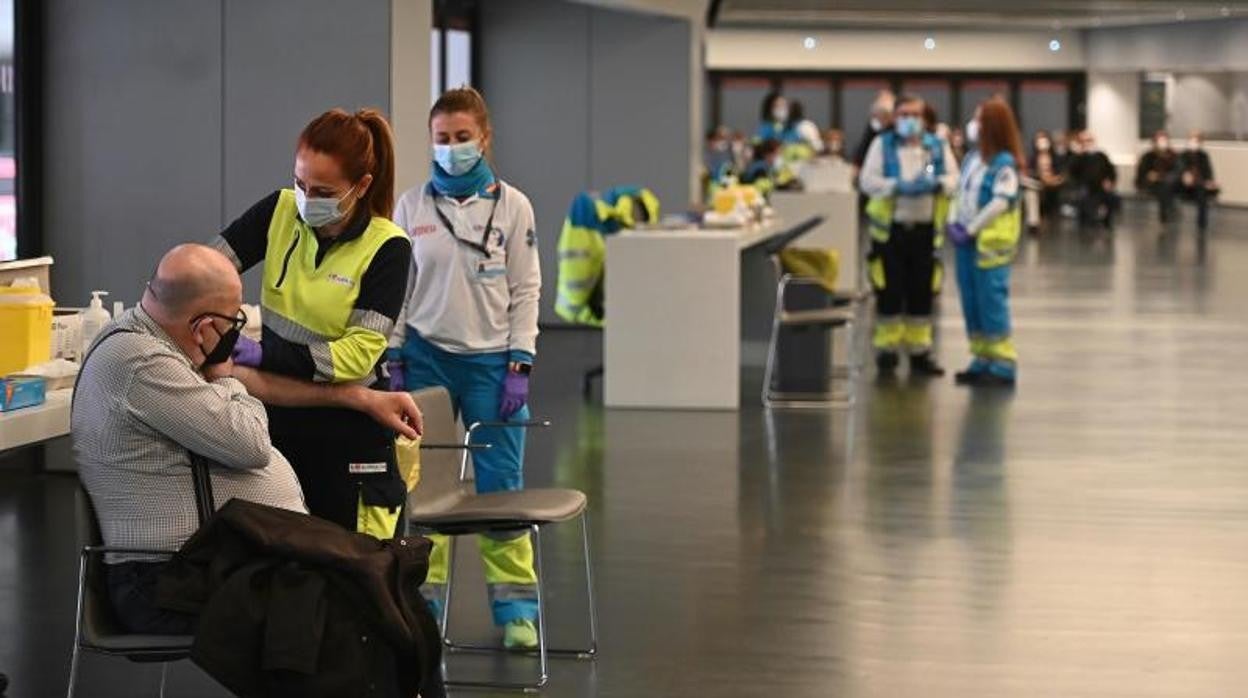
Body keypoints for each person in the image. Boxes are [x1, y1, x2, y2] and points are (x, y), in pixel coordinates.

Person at [73, 245, 421, 635]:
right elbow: (250, 442)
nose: (234, 334)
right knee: (358, 610)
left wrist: (360, 396)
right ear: (203, 327)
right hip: (167, 578)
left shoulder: (162, 347)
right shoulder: (141, 362)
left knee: (381, 586)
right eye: (232, 322)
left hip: (214, 562)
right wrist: (225, 377)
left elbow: (259, 388)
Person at [210, 108, 415, 540]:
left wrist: (268, 354)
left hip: (350, 435)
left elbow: (359, 353)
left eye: (322, 191)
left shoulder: (388, 247)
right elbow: (209, 268)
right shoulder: (280, 211)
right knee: (286, 564)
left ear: (361, 186)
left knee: (358, 572)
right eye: (300, 183)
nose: (306, 200)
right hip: (279, 423)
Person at [387, 87, 543, 651]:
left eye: (462, 138)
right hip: (426, 356)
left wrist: (520, 362)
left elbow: (526, 289)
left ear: (484, 138)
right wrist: (395, 353)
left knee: (502, 489)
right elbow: (399, 287)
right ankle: (424, 605)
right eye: (442, 139)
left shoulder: (514, 206)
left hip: (492, 363)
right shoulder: (411, 206)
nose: (451, 148)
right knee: (425, 489)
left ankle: (517, 609)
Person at [859, 94, 960, 377]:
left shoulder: (937, 147)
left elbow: (955, 180)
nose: (909, 121)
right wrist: (895, 186)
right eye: (903, 115)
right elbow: (867, 181)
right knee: (890, 292)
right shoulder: (882, 145)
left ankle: (919, 352)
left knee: (921, 293)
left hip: (925, 233)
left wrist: (937, 183)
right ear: (895, 118)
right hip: (890, 232)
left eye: (915, 115)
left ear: (924, 118)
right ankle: (887, 351)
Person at [945, 98, 1024, 387]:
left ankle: (1002, 363)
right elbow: (959, 192)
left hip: (990, 246)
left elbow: (999, 203)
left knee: (992, 302)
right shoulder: (972, 158)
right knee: (971, 301)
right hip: (966, 244)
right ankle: (981, 357)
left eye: (979, 120)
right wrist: (954, 221)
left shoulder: (1005, 164)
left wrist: (972, 229)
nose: (973, 126)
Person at [1070, 130, 1118, 228]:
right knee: (1085, 198)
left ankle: (1105, 220)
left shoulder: (1101, 156)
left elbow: (1111, 171)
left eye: (1089, 140)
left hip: (1101, 186)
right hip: (1085, 186)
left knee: (1111, 197)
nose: (1087, 143)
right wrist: (1080, 155)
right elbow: (1073, 172)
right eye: (1084, 141)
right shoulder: (1078, 157)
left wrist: (1110, 181)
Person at [1135, 130, 1181, 223]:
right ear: (1154, 142)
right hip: (1152, 183)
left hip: (1169, 183)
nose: (1162, 143)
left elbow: (1177, 170)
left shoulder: (1173, 155)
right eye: (1160, 140)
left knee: (1166, 184)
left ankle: (1165, 215)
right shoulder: (1148, 156)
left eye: (1164, 140)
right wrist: (1150, 175)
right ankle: (1167, 213)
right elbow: (1142, 173)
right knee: (1163, 186)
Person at [1179, 130, 1220, 232]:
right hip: (1184, 185)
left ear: (1201, 142)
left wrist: (1210, 181)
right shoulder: (1183, 155)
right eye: (1192, 140)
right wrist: (1185, 175)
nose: (1194, 143)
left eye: (1197, 140)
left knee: (1203, 191)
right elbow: (1180, 168)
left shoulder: (1204, 156)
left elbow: (1208, 171)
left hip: (1199, 184)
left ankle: (1202, 224)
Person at [1031, 130, 1065, 220]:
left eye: (1044, 139)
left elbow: (1062, 174)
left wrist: (1053, 180)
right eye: (1039, 139)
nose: (1042, 142)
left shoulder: (1056, 158)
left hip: (1053, 190)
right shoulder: (1032, 159)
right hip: (1039, 189)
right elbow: (1031, 173)